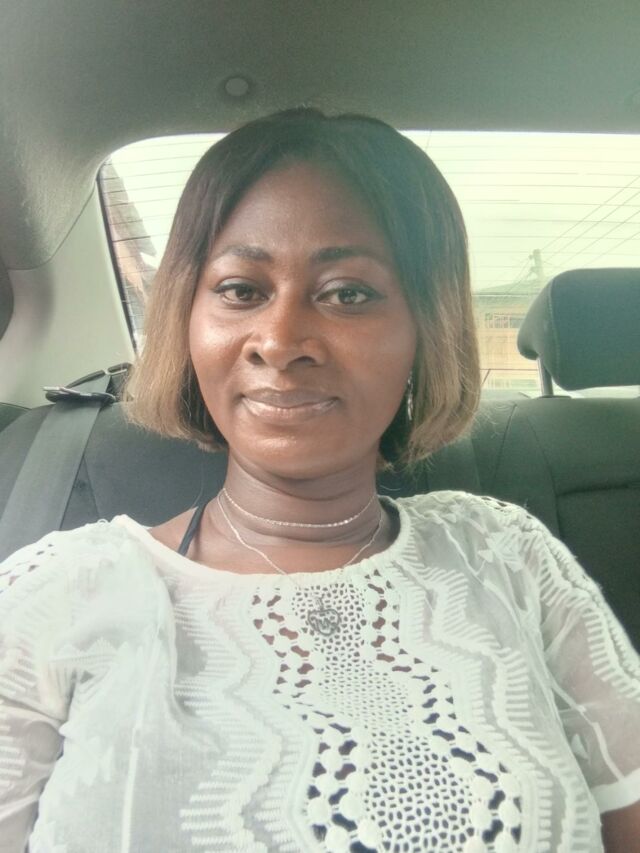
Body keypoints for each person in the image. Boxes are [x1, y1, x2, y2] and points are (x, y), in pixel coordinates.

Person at [0, 108, 638, 853]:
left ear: (425, 329)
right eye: (241, 289)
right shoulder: (56, 592)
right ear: (188, 319)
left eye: (348, 293)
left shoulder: (508, 555)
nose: (279, 341)